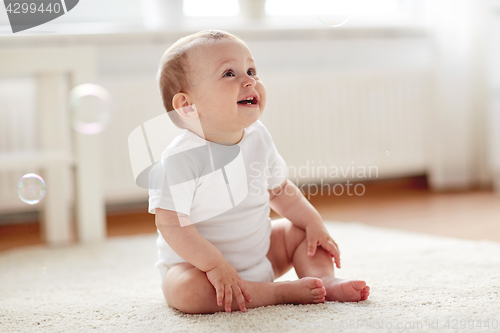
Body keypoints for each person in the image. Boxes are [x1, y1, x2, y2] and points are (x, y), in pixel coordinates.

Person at [149, 29, 370, 314]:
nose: (249, 80)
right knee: (185, 292)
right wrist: (215, 265)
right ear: (188, 106)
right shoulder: (180, 159)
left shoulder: (258, 137)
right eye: (229, 73)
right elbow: (171, 224)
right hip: (203, 271)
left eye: (251, 70)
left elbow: (280, 191)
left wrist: (314, 221)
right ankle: (275, 293)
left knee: (301, 231)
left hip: (260, 256)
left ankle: (323, 280)